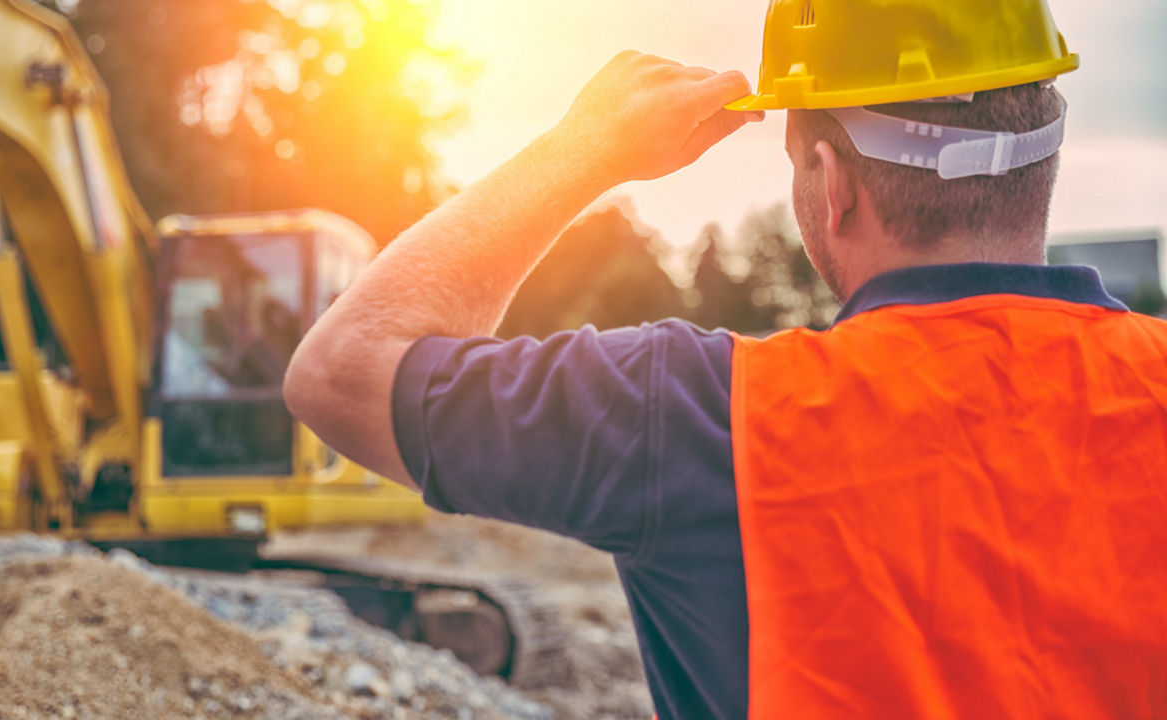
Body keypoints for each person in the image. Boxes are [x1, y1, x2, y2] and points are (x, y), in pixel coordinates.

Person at [284, 1, 1167, 717]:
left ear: (832, 181)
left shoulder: (703, 415)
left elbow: (342, 370)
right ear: (1043, 152)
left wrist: (582, 150)